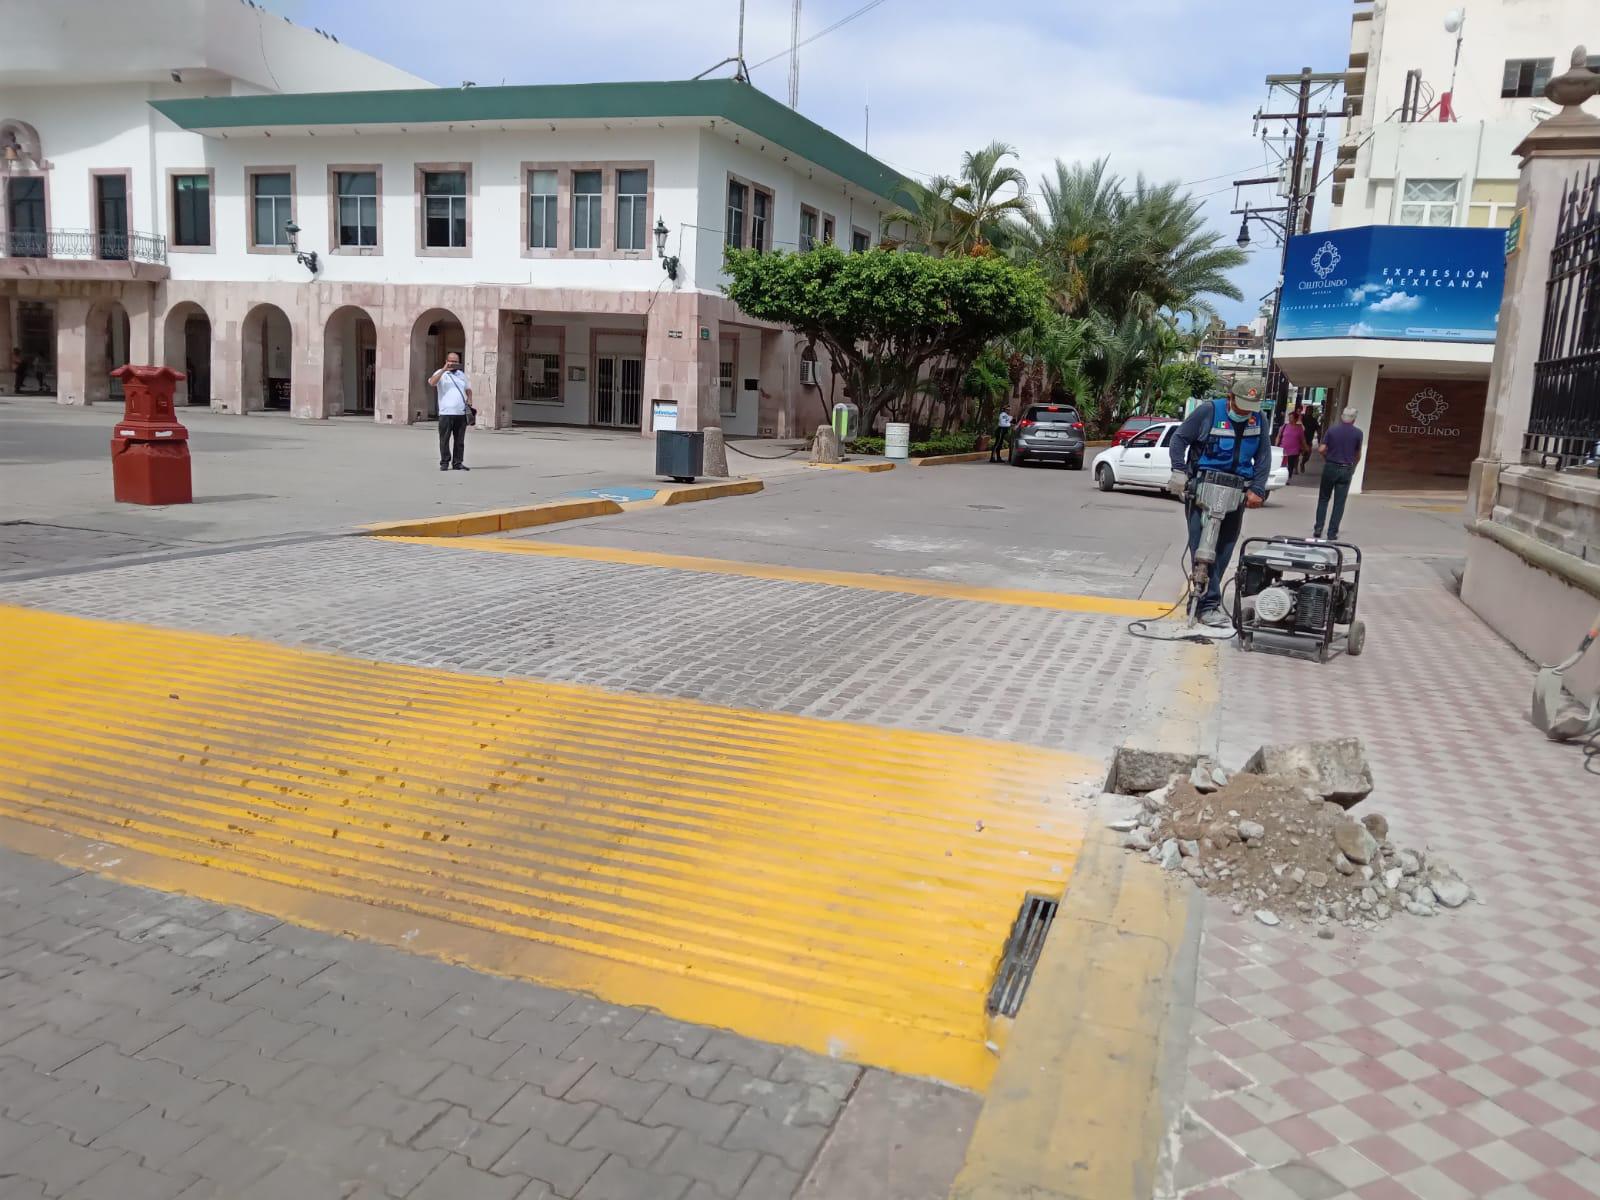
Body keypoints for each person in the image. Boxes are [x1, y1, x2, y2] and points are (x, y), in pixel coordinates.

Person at [1167, 390, 1272, 628]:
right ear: (1230, 398)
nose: (1245, 412)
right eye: (1241, 406)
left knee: (1223, 550)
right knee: (1201, 548)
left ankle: (1205, 603)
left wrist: (1258, 487)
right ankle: (1207, 604)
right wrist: (1179, 470)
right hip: (1204, 487)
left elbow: (1263, 456)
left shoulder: (1259, 420)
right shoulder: (1209, 411)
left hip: (1236, 492)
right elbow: (1179, 439)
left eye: (1250, 408)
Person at [1314, 408, 1364, 541]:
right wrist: (1353, 466)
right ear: (1354, 418)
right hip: (1346, 468)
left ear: (1342, 417)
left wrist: (1327, 459)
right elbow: (1357, 454)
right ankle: (1332, 532)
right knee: (1339, 503)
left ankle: (1318, 528)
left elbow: (1322, 449)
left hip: (1330, 466)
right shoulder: (1358, 433)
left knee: (1324, 499)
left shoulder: (1332, 430)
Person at [429, 351, 472, 472]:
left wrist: (470, 399)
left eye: (456, 361)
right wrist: (443, 370)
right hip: (446, 413)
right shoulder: (440, 373)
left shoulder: (461, 375)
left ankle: (458, 462)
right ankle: (444, 462)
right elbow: (432, 383)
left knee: (459, 440)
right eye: (451, 361)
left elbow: (468, 389)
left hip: (460, 413)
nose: (453, 363)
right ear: (446, 361)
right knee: (444, 439)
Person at [1278, 410, 1306, 480]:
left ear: (1296, 419)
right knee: (1282, 464)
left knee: (1290, 466)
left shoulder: (1299, 428)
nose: (1290, 419)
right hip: (1283, 449)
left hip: (1294, 451)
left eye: (1291, 418)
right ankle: (1281, 477)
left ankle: (1287, 478)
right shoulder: (1284, 426)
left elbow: (1302, 439)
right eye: (1289, 417)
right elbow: (1278, 436)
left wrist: (1305, 447)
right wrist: (1276, 445)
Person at [1300, 407, 1321, 473]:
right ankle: (1294, 468)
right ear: (1306, 410)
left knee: (1308, 455)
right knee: (1296, 454)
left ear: (1312, 412)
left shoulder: (1314, 420)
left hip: (1308, 440)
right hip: (1300, 439)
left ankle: (1302, 463)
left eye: (1310, 410)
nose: (1309, 411)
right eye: (1308, 410)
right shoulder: (1302, 418)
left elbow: (1318, 428)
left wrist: (1319, 435)